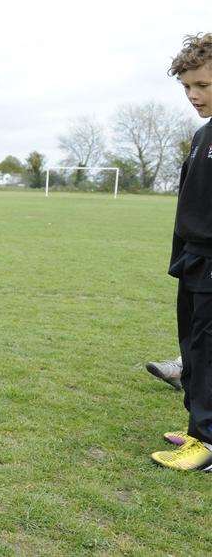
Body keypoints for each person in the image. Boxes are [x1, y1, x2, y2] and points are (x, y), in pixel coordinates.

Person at [150, 32, 212, 472]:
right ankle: (198, 426)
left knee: (208, 352)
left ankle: (206, 443)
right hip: (193, 258)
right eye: (187, 86)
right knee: (192, 348)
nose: (193, 95)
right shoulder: (202, 134)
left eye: (203, 86)